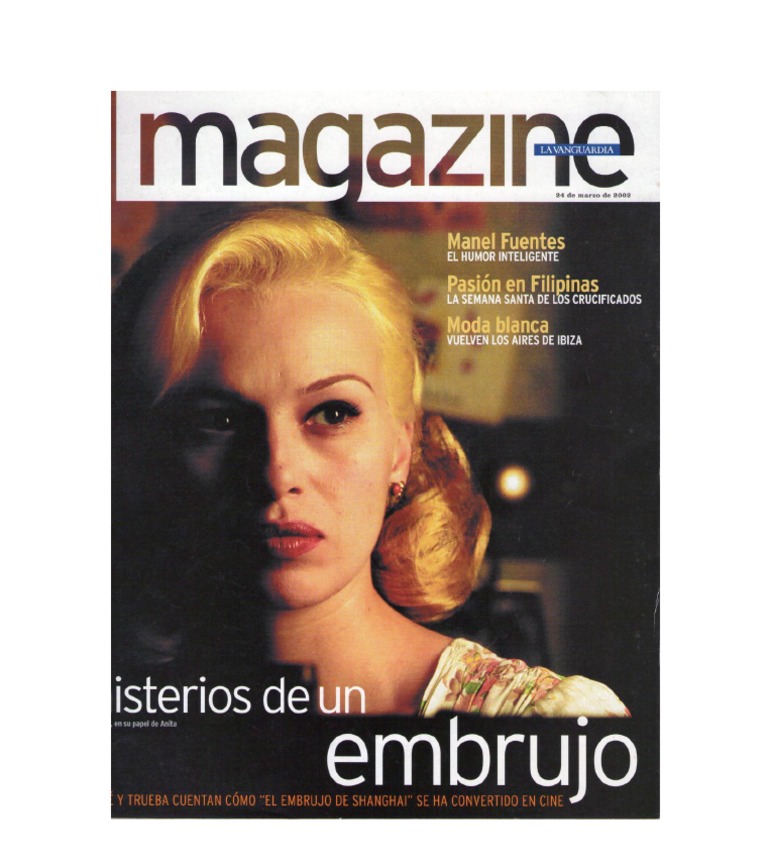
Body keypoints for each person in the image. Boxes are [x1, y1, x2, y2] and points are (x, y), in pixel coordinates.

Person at [113, 208, 628, 718]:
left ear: (400, 450)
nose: (277, 473)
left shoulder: (546, 721)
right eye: (219, 422)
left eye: (332, 413)